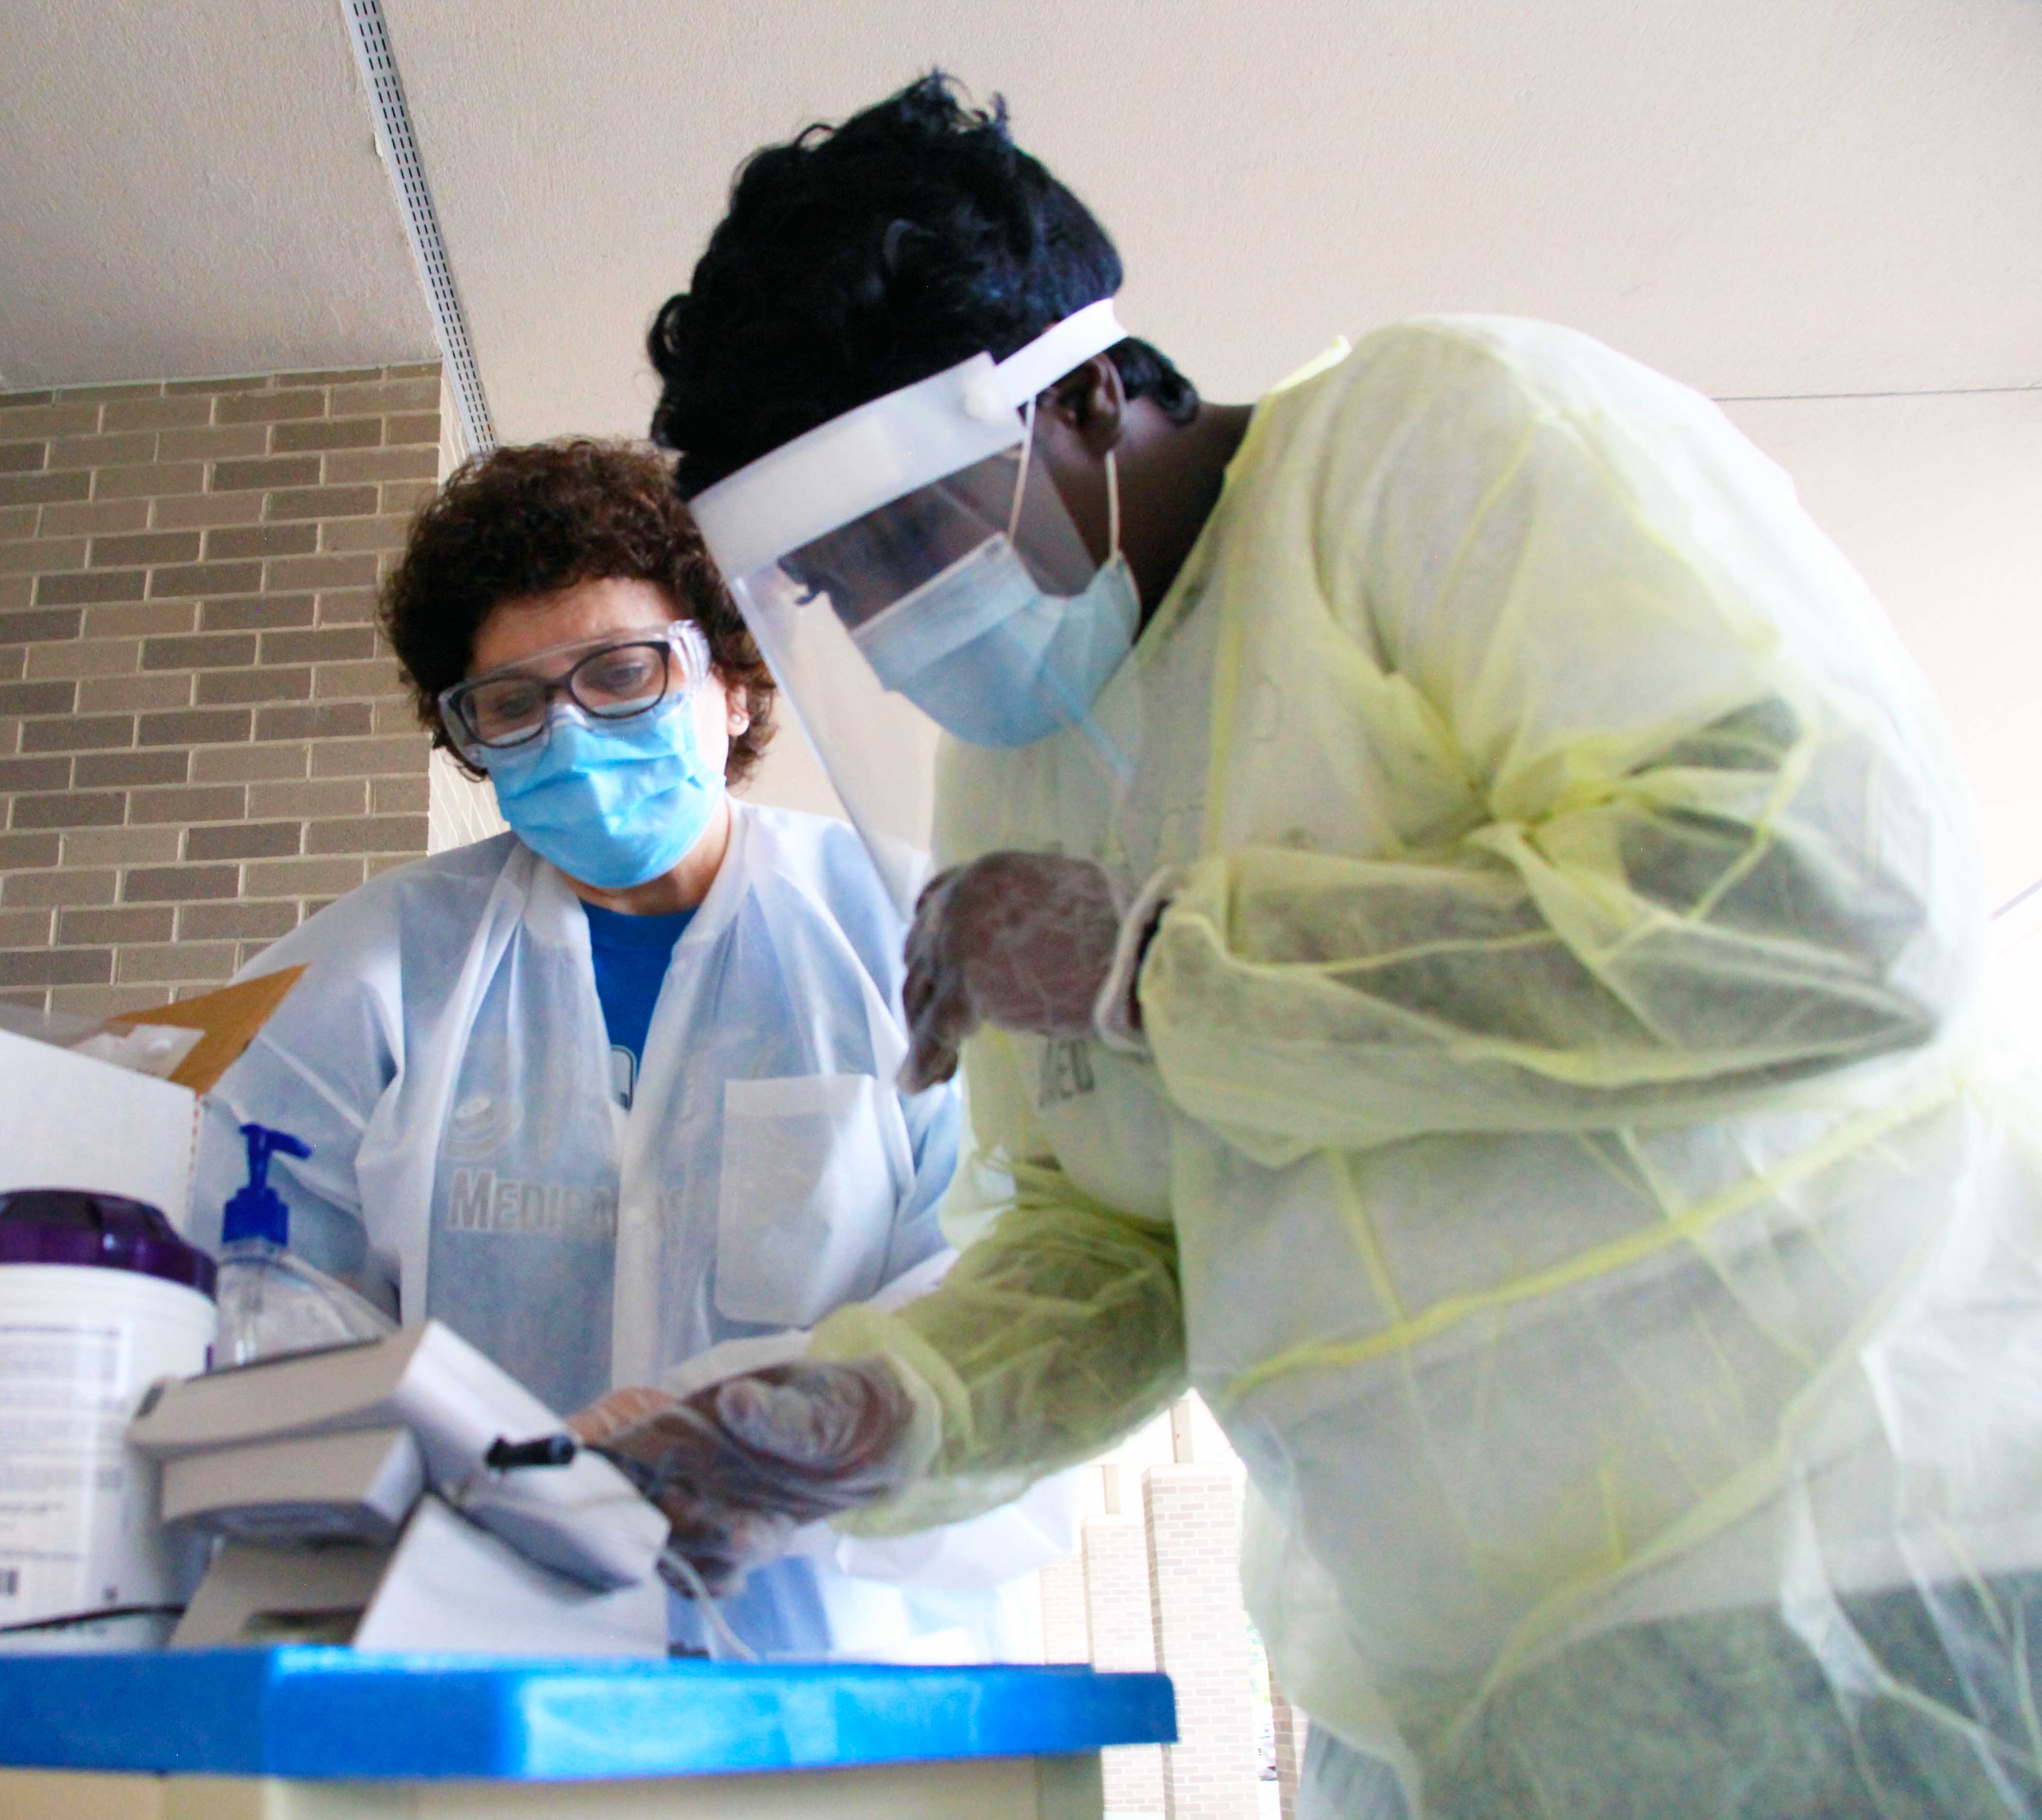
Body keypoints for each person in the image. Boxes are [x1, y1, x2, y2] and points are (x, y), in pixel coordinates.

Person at [585, 73, 2042, 1818]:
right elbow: (1118, 1239)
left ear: (1088, 395)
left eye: (911, 532)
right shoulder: (1013, 768)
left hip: (1851, 1576)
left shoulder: (1446, 442)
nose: (897, 625)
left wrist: (1155, 964)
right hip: (1440, 1689)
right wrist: (892, 1411)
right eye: (837, 581)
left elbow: (1821, 911)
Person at [194, 438, 1073, 1657]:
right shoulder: (367, 978)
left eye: (620, 673)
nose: (568, 734)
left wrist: (804, 1440)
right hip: (467, 1656)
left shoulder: (901, 935)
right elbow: (267, 1317)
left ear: (738, 685)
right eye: (512, 704)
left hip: (830, 1655)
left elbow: (1000, 1284)